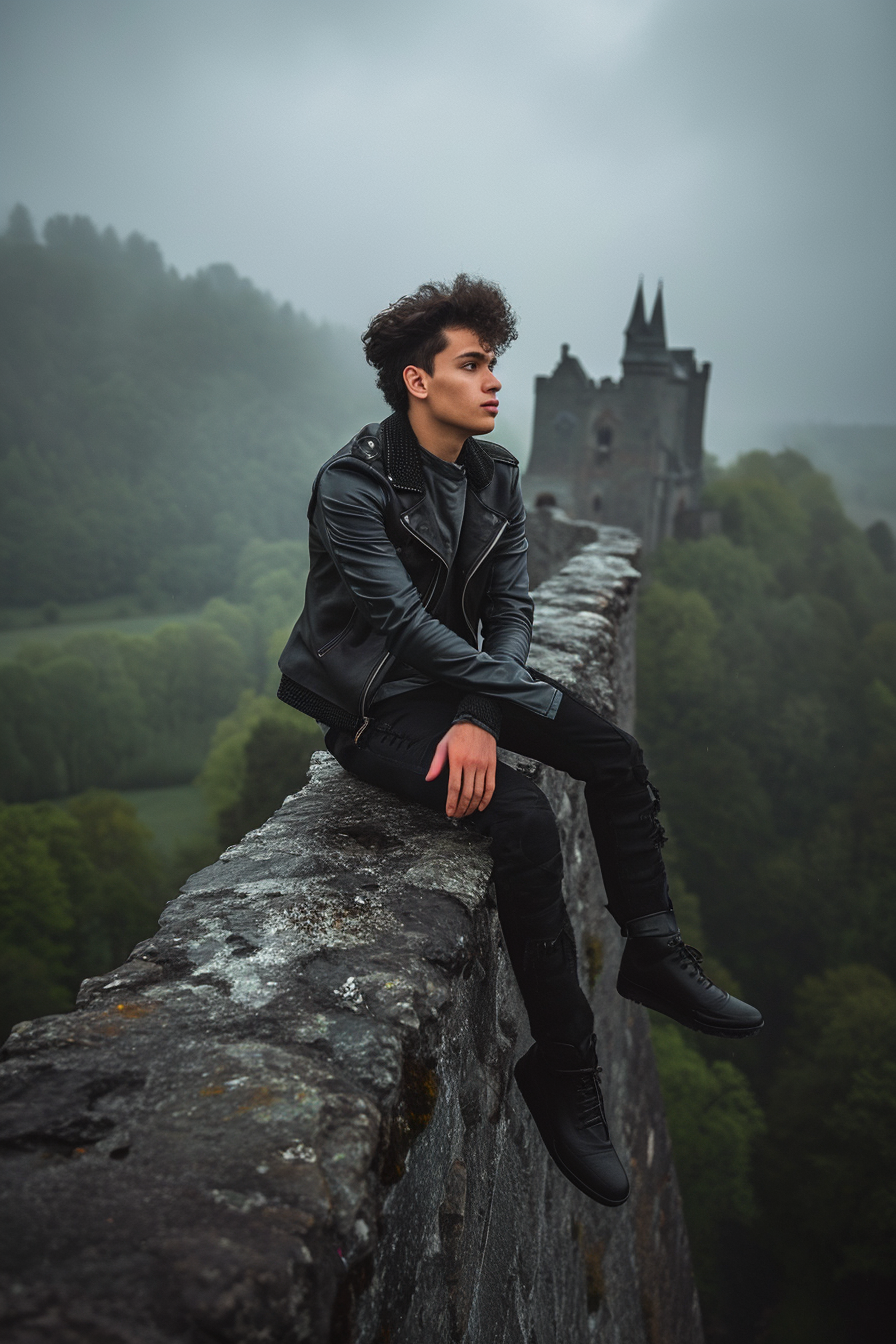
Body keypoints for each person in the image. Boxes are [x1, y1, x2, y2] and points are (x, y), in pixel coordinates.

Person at [277, 274, 763, 1207]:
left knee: (616, 758)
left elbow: (510, 607)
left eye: (495, 362)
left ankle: (654, 954)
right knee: (525, 817)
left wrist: (481, 715)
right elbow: (406, 626)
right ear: (419, 382)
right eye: (474, 364)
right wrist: (475, 709)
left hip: (463, 689)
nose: (495, 381)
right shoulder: (351, 483)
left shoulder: (495, 474)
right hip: (378, 707)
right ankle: (565, 1065)